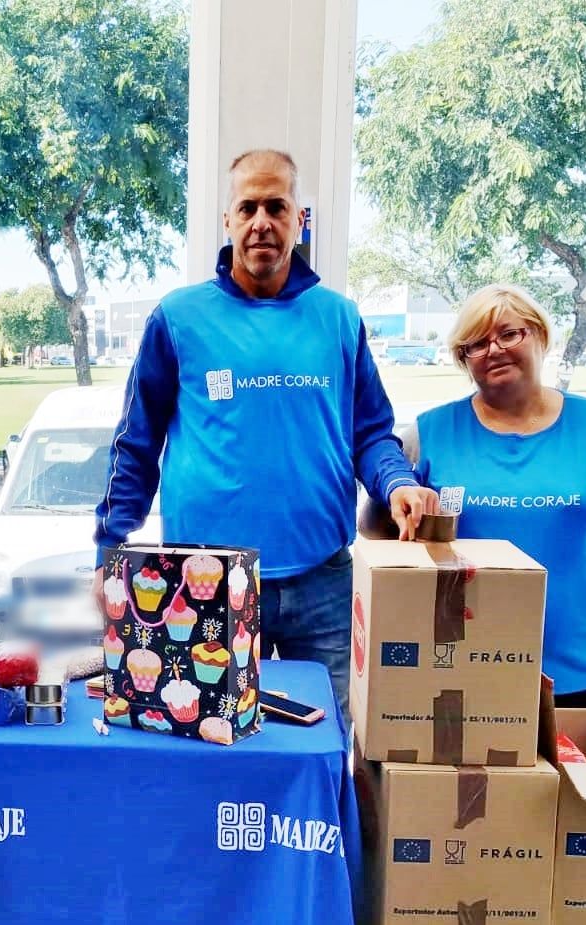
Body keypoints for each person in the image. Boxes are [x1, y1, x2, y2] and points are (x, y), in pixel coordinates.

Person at [94, 148, 436, 725]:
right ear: (227, 221)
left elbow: (372, 432)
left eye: (276, 207)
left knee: (326, 746)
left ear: (299, 220)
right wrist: (110, 552)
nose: (261, 222)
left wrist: (397, 481)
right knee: (211, 745)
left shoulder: (339, 318)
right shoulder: (177, 318)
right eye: (247, 207)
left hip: (322, 585)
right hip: (202, 584)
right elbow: (137, 445)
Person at [401, 284, 586, 707]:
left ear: (539, 336)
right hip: (458, 658)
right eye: (477, 343)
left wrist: (582, 556)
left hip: (571, 663)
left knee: (567, 774)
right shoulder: (429, 433)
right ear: (463, 359)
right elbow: (377, 527)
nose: (494, 350)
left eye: (509, 334)